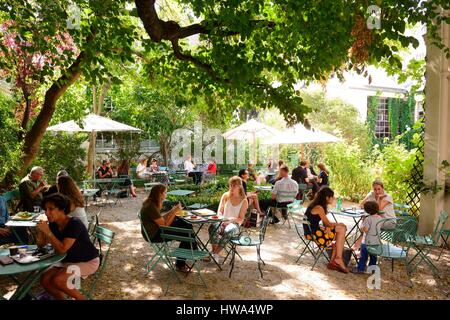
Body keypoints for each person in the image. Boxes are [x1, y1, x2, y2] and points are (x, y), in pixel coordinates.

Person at [37, 193, 100, 300]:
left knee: (58, 280)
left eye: (51, 209)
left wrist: (48, 232)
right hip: (67, 260)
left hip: (87, 261)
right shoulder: (53, 224)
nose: (47, 213)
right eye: (45, 209)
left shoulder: (74, 223)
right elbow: (41, 244)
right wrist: (41, 231)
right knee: (45, 280)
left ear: (62, 209)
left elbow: (62, 249)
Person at [140, 184, 198, 272]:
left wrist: (172, 211)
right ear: (159, 194)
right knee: (186, 233)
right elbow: (164, 225)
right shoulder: (151, 206)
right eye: (165, 193)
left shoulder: (151, 203)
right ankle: (183, 261)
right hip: (154, 235)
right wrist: (174, 212)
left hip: (155, 230)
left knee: (184, 223)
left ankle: (192, 249)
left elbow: (161, 219)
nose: (166, 195)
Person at [303, 187, 349, 273]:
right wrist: (338, 223)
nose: (333, 198)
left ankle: (334, 262)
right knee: (341, 229)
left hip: (312, 231)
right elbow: (327, 223)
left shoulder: (316, 205)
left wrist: (329, 227)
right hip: (314, 234)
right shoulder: (319, 207)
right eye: (332, 197)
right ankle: (338, 259)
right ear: (327, 197)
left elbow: (325, 223)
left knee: (339, 234)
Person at [208, 176, 248, 260]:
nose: (231, 188)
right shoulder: (226, 196)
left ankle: (215, 253)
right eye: (230, 185)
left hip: (234, 224)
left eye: (234, 186)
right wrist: (222, 220)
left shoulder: (244, 200)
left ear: (239, 187)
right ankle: (214, 252)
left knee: (229, 230)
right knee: (213, 227)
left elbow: (241, 219)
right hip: (221, 221)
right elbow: (219, 212)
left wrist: (230, 220)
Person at [352, 180, 397, 251]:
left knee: (369, 223)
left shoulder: (388, 197)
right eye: (375, 189)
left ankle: (363, 247)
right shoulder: (372, 194)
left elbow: (378, 210)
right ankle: (362, 247)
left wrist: (379, 198)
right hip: (377, 219)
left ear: (383, 188)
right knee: (367, 222)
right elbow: (362, 204)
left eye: (379, 189)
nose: (377, 191)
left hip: (389, 221)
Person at [351, 201, 382, 274]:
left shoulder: (368, 219)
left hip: (367, 242)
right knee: (373, 256)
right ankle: (372, 269)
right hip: (376, 241)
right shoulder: (380, 218)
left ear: (368, 211)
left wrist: (362, 223)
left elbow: (366, 230)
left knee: (363, 256)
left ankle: (360, 269)